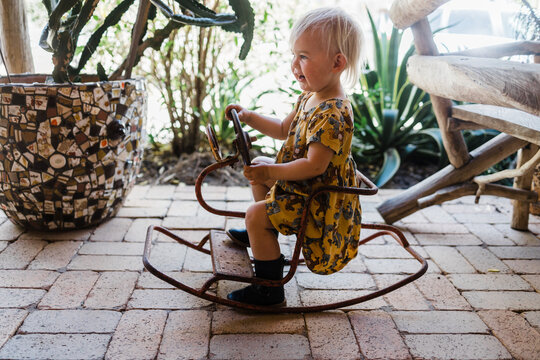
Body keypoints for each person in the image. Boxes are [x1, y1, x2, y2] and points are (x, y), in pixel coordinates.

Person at [225, 7, 363, 306]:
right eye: (295, 55)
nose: (294, 65)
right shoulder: (310, 97)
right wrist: (248, 116)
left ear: (337, 62)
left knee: (255, 210)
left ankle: (269, 289)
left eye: (304, 56)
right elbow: (283, 129)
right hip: (303, 188)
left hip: (318, 201)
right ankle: (263, 233)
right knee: (260, 165)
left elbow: (315, 166)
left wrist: (273, 173)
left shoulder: (334, 113)